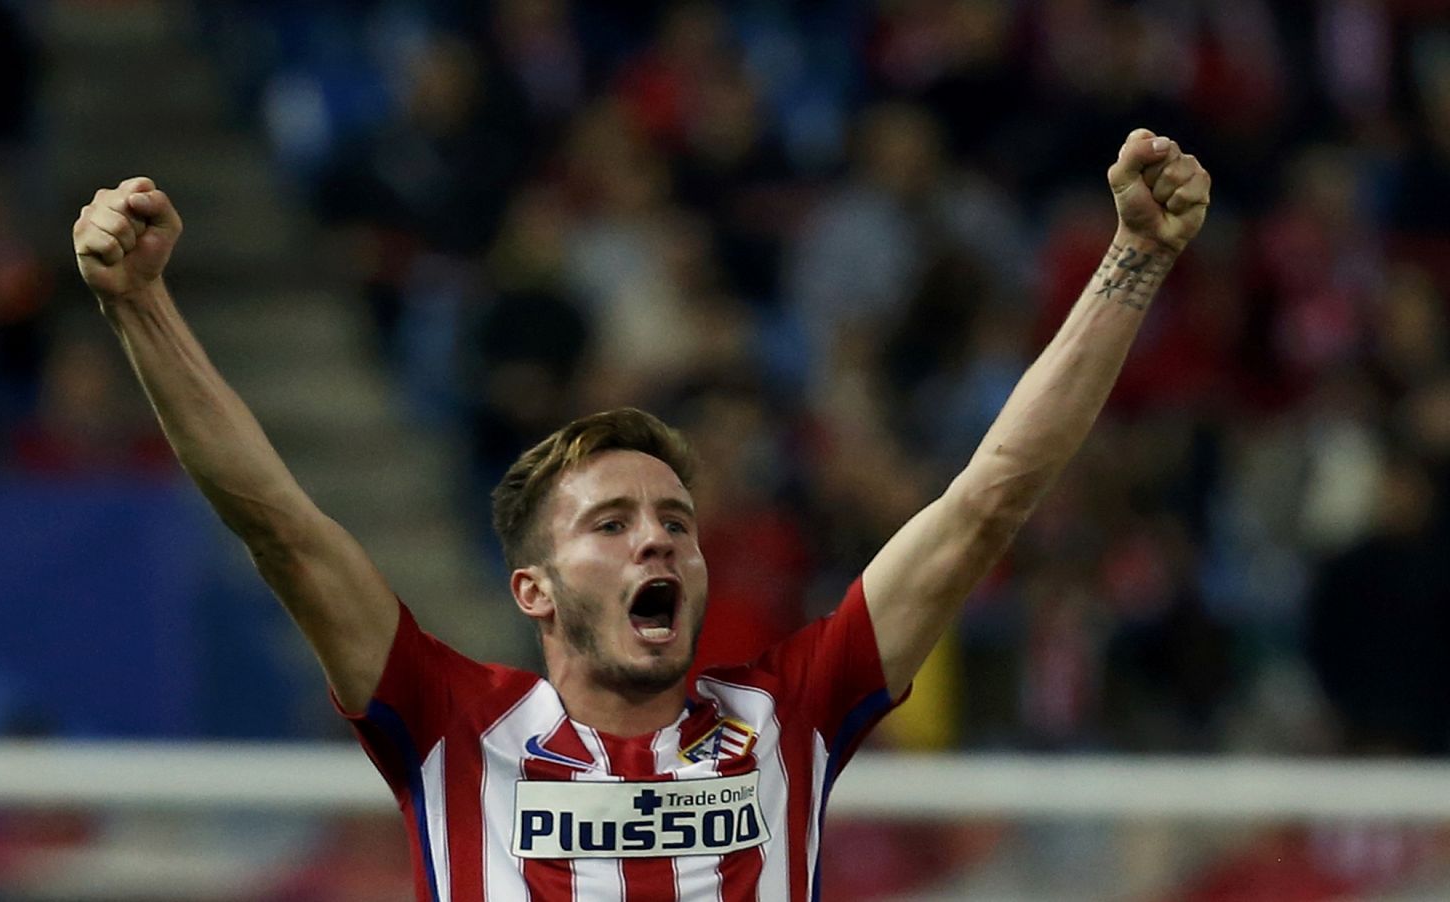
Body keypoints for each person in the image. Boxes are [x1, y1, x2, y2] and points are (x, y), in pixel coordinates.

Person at [73, 127, 1210, 901]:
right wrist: (141, 308)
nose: (658, 535)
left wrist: (1134, 261)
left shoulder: (789, 717)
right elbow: (279, 524)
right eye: (609, 523)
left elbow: (985, 501)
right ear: (532, 589)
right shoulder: (450, 724)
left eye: (674, 518)